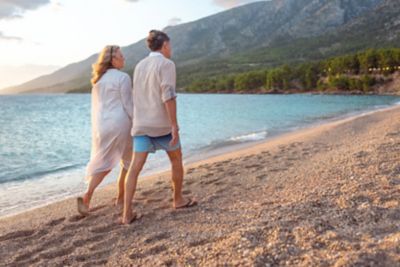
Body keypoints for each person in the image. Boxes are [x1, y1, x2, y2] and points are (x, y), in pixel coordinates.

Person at [122, 30, 197, 224]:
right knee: (176, 159)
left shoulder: (139, 66)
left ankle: (126, 213)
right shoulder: (166, 64)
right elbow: (168, 95)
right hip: (161, 125)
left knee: (135, 168)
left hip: (141, 125)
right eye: (169, 45)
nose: (170, 49)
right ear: (164, 45)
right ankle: (178, 199)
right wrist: (174, 124)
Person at [77, 45, 133, 216]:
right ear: (112, 60)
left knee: (105, 162)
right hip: (121, 124)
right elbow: (128, 105)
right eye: (121, 56)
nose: (124, 58)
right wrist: (139, 123)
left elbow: (98, 108)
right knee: (129, 162)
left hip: (103, 126)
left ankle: (88, 194)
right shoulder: (122, 77)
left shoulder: (99, 81)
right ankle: (121, 198)